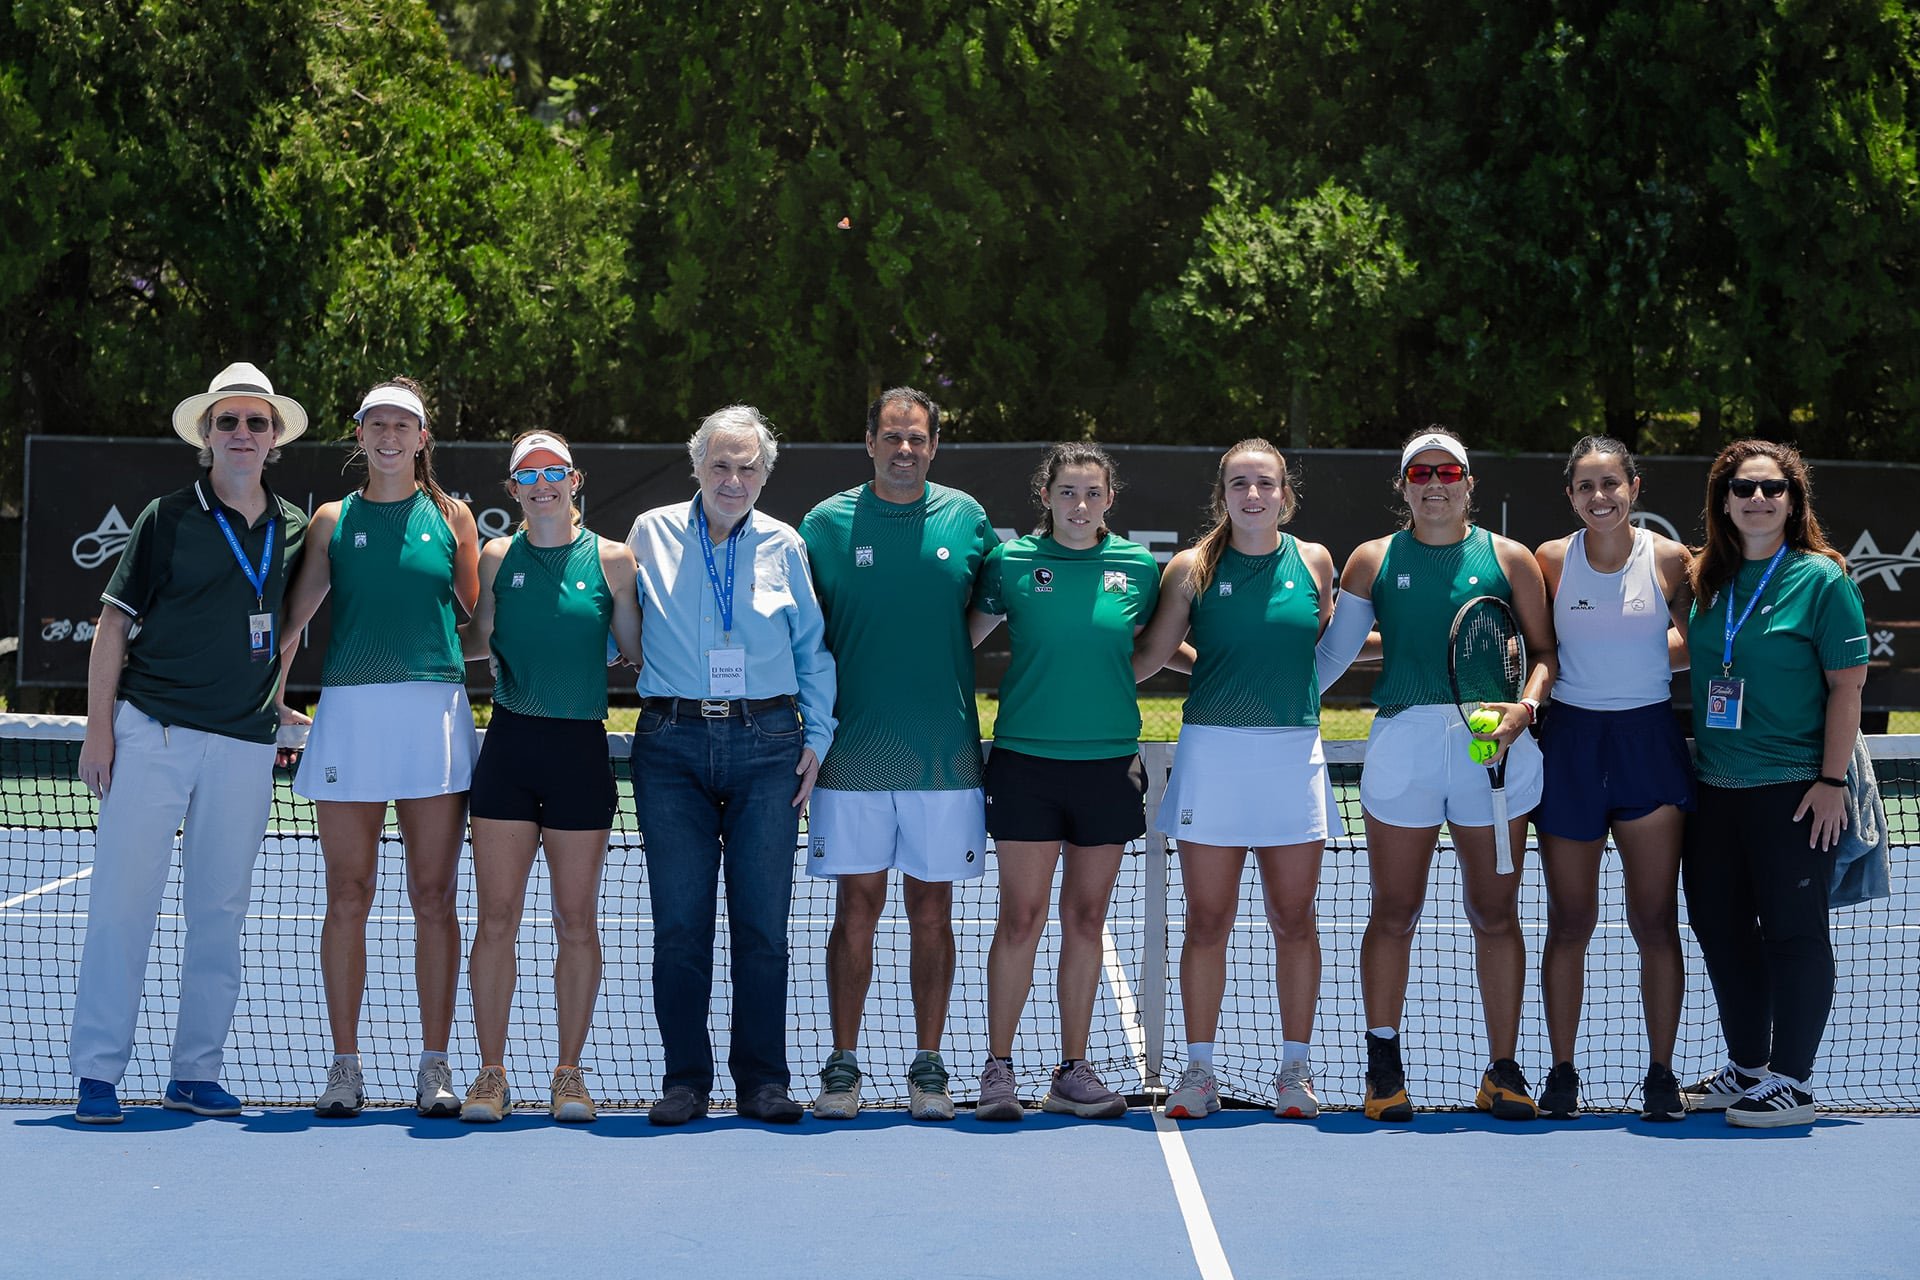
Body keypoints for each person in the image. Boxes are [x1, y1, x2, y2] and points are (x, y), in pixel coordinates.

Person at [69, 361, 310, 1123]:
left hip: (243, 748)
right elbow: (113, 625)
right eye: (228, 422)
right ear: (207, 435)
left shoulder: (297, 528)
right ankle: (97, 1076)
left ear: (274, 440)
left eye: (257, 423)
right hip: (154, 734)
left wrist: (274, 707)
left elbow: (290, 630)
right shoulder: (165, 517)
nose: (243, 434)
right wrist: (99, 731)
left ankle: (194, 1073)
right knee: (122, 907)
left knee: (220, 911)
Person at [1316, 428, 1555, 1122]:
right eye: (1420, 473)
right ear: (1403, 485)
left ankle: (1503, 1069)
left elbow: (1543, 653)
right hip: (1402, 745)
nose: (1435, 483)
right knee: (1394, 912)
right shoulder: (1371, 560)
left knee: (1494, 913)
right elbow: (1332, 658)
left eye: (1448, 471)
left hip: (1494, 747)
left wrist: (1524, 710)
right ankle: (1383, 1067)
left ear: (1469, 482)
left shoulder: (1510, 559)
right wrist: (1273, 697)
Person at [626, 405, 836, 1126]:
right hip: (670, 745)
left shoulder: (786, 543)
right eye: (721, 464)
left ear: (764, 474)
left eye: (748, 467)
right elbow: (613, 626)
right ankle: (685, 1080)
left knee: (762, 928)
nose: (734, 478)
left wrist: (820, 736)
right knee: (679, 927)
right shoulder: (648, 534)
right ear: (697, 466)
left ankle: (763, 1083)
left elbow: (812, 648)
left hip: (769, 745)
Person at [279, 377, 481, 1119]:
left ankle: (434, 1066)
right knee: (347, 895)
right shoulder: (333, 520)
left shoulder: (453, 518)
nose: (390, 436)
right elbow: (295, 619)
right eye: (377, 424)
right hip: (351, 722)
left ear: (423, 437)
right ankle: (344, 1069)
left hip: (433, 717)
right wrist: (272, 699)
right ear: (358, 435)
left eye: (404, 424)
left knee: (434, 897)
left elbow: (477, 623)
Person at [798, 388, 1000, 1122]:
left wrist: (939, 655)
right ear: (870, 441)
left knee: (931, 913)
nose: (905, 450)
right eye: (892, 437)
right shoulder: (824, 524)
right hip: (849, 759)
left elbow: (983, 609)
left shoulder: (967, 518)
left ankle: (928, 1067)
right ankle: (843, 1066)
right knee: (855, 909)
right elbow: (800, 628)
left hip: (943, 761)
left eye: (917, 438)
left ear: (935, 445)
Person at [1133, 439, 1340, 1120]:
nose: (1252, 496)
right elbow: (1156, 655)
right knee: (1207, 921)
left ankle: (1294, 1070)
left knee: (1294, 920)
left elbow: (1311, 651)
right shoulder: (1193, 567)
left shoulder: (1314, 562)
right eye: (1239, 484)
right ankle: (1198, 1072)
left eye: (1265, 484)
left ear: (1286, 492)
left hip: (1292, 758)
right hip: (1212, 757)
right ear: (1222, 493)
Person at [455, 432, 644, 1124]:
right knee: (497, 918)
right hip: (509, 749)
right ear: (513, 490)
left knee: (576, 921)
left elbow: (636, 652)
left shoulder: (617, 561)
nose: (542, 484)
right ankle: (491, 1075)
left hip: (579, 754)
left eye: (554, 472)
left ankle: (569, 1075)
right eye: (528, 475)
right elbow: (476, 642)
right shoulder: (500, 557)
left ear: (575, 480)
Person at [1678, 440, 1867, 1127]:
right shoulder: (1705, 581)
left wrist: (1830, 780)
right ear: (1723, 500)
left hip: (1794, 789)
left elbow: (1848, 689)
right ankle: (1748, 1068)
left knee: (1792, 934)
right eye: (1744, 488)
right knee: (1720, 929)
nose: (1758, 499)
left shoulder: (1822, 579)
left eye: (1772, 489)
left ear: (1793, 501)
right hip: (1712, 792)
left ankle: (1793, 1080)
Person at [969, 442, 1160, 1122]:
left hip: (1108, 767)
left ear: (1110, 500)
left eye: (1093, 494)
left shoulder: (1138, 569)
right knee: (1020, 918)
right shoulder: (1010, 564)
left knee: (1086, 919)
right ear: (1046, 497)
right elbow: (959, 637)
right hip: (1026, 763)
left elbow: (1156, 649)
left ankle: (1072, 1072)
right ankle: (998, 1071)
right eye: (1068, 493)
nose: (1080, 506)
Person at [1532, 437, 1695, 1122]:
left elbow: (1698, 637)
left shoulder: (1668, 559)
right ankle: (1562, 1073)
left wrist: (1636, 655)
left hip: (1648, 744)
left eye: (1611, 484)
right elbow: (1535, 645)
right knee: (1571, 920)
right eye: (1585, 487)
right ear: (1571, 496)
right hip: (1568, 746)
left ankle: (1662, 1075)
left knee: (1654, 920)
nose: (1600, 497)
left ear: (1634, 486)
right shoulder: (1547, 560)